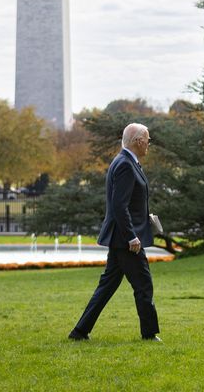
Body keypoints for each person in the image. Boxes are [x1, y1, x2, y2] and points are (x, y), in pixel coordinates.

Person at [68, 122, 161, 342]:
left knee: (107, 287)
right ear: (138, 141)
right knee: (143, 285)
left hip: (122, 238)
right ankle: (149, 334)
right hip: (127, 241)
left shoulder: (126, 161)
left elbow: (125, 203)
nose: (149, 144)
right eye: (147, 140)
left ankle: (79, 331)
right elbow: (119, 206)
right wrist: (132, 236)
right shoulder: (126, 165)